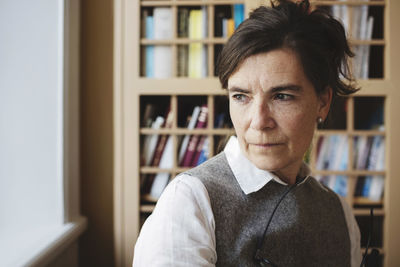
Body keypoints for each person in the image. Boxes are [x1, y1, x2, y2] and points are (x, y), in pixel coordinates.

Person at [133, 0, 361, 266]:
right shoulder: (189, 202)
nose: (259, 121)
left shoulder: (339, 214)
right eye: (241, 96)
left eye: (282, 96)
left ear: (322, 102)